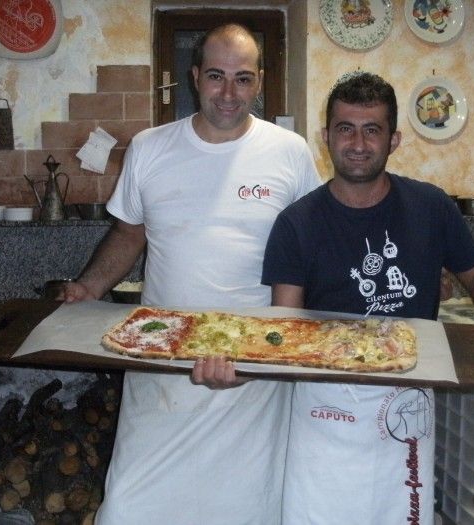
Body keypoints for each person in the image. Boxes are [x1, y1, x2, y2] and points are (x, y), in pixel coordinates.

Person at [60, 23, 320, 524]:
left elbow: (312, 252)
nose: (229, 93)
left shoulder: (290, 152)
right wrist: (88, 287)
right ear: (195, 77)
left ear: (260, 82)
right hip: (162, 361)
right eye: (217, 77)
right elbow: (129, 233)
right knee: (130, 507)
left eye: (243, 79)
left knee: (244, 509)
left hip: (250, 371)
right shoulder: (150, 148)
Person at [261, 72, 474, 525]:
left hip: (406, 403)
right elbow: (285, 330)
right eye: (346, 128)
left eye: (372, 129)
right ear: (326, 137)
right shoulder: (296, 223)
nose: (358, 143)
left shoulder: (432, 208)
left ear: (394, 139)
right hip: (325, 410)